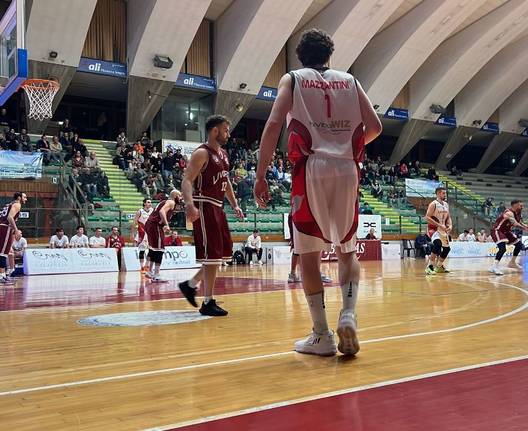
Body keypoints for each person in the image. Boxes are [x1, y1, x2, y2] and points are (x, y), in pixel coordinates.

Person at [254, 29, 382, 356]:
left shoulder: (293, 79)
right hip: (347, 167)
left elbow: (272, 124)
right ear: (329, 56)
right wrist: (344, 148)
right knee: (347, 249)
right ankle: (349, 313)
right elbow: (375, 127)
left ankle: (321, 335)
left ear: (301, 56)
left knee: (308, 252)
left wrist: (261, 174)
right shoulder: (350, 80)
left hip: (310, 167)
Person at [179, 116, 243, 316]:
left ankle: (190, 285)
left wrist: (234, 204)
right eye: (225, 130)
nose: (228, 134)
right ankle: (208, 302)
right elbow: (187, 180)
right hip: (204, 204)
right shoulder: (201, 153)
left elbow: (226, 182)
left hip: (218, 206)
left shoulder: (223, 154)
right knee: (212, 256)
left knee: (221, 253)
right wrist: (189, 204)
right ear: (215, 131)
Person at [144, 190, 183, 282]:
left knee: (153, 249)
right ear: (175, 196)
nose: (180, 198)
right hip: (155, 225)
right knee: (160, 250)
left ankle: (150, 272)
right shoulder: (171, 202)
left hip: (151, 224)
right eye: (180, 196)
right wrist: (166, 224)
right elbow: (162, 212)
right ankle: (156, 274)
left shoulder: (164, 201)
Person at [489, 200, 528, 275]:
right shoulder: (509, 213)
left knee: (519, 245)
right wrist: (527, 229)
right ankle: (494, 267)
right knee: (502, 249)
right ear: (515, 205)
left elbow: (520, 222)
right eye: (520, 205)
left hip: (507, 231)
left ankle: (512, 262)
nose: (522, 207)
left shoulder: (518, 213)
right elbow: (515, 224)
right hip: (498, 230)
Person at [425, 187, 452, 275]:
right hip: (433, 229)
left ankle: (439, 266)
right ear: (438, 194)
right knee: (437, 244)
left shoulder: (446, 205)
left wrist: (450, 225)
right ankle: (429, 267)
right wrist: (439, 225)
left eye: (445, 193)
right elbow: (427, 217)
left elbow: (448, 217)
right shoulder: (433, 204)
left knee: (447, 249)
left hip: (443, 229)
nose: (445, 195)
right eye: (443, 193)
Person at [0, 193, 27, 283]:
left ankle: (3, 274)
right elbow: (10, 217)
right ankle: (1, 275)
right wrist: (16, 230)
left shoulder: (9, 204)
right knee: (3, 252)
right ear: (19, 197)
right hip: (5, 227)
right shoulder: (17, 204)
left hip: (2, 226)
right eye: (24, 197)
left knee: (5, 252)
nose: (26, 199)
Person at [132, 199, 154, 272]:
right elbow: (134, 223)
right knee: (142, 251)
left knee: (151, 250)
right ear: (144, 203)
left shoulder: (152, 210)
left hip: (150, 233)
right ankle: (142, 267)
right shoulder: (140, 211)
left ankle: (147, 266)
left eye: (150, 202)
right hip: (142, 233)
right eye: (148, 202)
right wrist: (132, 233)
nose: (150, 203)